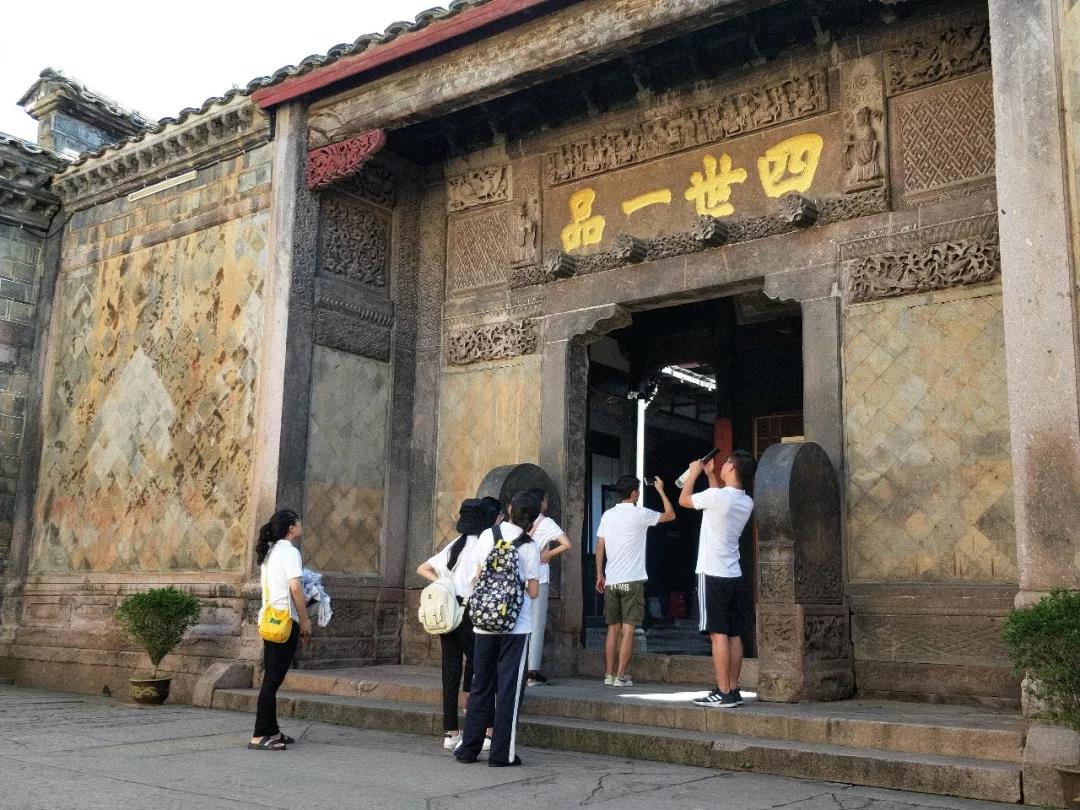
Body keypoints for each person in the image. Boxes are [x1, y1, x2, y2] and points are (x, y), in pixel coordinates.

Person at [454, 491, 542, 767]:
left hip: (484, 624)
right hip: (516, 626)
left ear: (509, 509)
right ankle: (501, 753)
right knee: (508, 689)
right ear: (533, 516)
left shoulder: (487, 536)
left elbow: (478, 575)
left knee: (481, 684)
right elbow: (534, 591)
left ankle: (468, 749)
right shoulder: (529, 545)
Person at [417, 497, 501, 750]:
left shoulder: (455, 545)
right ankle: (487, 731)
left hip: (448, 612)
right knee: (483, 669)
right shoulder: (485, 545)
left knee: (450, 671)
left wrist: (444, 584)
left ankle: (450, 732)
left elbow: (423, 568)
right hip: (470, 613)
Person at [678, 451, 756, 708]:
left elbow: (684, 500)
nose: (722, 465)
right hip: (733, 573)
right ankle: (732, 689)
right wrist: (711, 475)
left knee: (717, 633)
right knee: (734, 634)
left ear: (732, 468)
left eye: (726, 463)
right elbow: (717, 500)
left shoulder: (718, 498)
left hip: (712, 571)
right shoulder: (745, 501)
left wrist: (693, 474)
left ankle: (722, 691)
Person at [595, 474, 675, 687]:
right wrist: (660, 490)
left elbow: (600, 547)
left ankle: (608, 674)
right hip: (632, 580)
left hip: (612, 580)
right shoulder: (641, 514)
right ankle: (621, 675)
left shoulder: (607, 515)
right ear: (634, 494)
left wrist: (599, 575)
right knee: (628, 629)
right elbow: (670, 515)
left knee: (612, 629)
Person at [249, 509, 311, 750]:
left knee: (271, 677)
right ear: (291, 527)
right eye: (298, 522)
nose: (300, 525)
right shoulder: (289, 551)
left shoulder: (271, 551)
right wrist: (304, 620)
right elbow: (295, 587)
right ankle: (260, 734)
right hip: (285, 621)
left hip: (270, 619)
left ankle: (272, 730)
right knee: (272, 680)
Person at [525, 487, 571, 686]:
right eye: (545, 499)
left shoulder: (520, 520)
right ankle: (532, 672)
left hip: (519, 578)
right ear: (541, 502)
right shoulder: (546, 522)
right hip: (539, 577)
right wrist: (549, 554)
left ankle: (517, 667)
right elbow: (566, 543)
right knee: (536, 624)